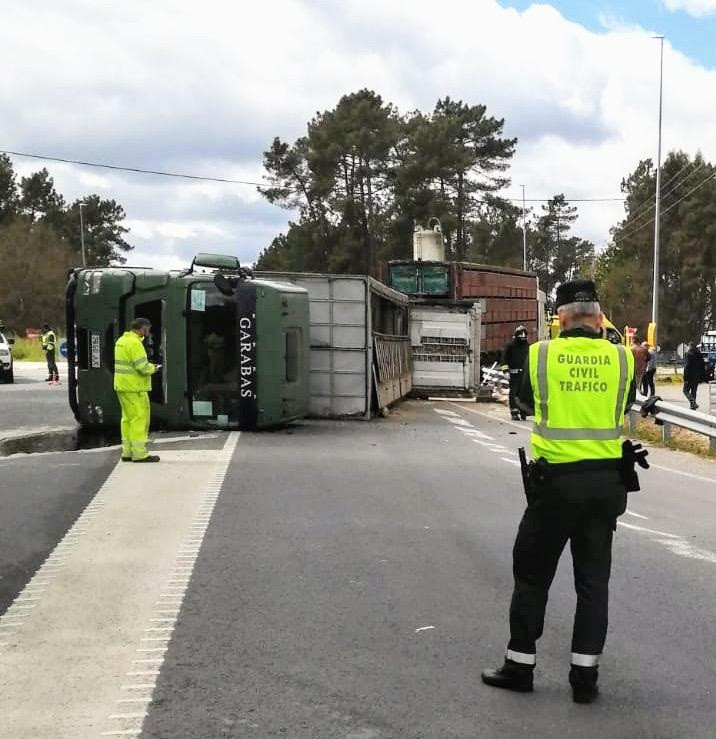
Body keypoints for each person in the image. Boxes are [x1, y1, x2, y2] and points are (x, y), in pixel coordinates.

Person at [482, 279, 638, 704]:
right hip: (607, 485)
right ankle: (584, 679)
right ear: (600, 317)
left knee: (532, 573)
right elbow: (623, 408)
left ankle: (520, 666)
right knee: (593, 581)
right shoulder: (623, 359)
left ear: (561, 318)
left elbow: (526, 403)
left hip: (556, 485)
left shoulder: (540, 354)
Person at [114, 317, 162, 462]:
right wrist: (154, 368)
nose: (147, 332)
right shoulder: (135, 344)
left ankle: (127, 452)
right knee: (139, 419)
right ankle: (140, 454)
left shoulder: (121, 341)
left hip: (122, 386)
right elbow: (142, 367)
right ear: (142, 328)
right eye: (147, 329)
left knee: (127, 419)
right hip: (135, 388)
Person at [501, 325, 529, 421]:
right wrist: (506, 371)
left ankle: (523, 411)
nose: (522, 340)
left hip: (525, 375)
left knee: (524, 394)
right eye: (521, 338)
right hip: (514, 375)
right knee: (513, 393)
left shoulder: (528, 347)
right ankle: (514, 412)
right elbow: (504, 359)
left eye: (524, 338)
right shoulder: (510, 347)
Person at [682, 341, 705, 410]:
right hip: (697, 376)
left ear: (690, 346)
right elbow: (702, 366)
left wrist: (685, 377)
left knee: (685, 390)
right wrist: (702, 377)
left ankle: (693, 402)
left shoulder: (688, 354)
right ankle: (692, 406)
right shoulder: (699, 354)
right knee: (693, 391)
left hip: (690, 376)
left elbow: (687, 367)